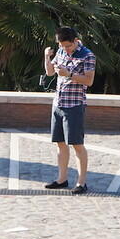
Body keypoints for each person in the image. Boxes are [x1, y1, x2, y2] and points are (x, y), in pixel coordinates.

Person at [43, 26, 96, 194]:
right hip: (58, 103)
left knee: (77, 144)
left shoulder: (87, 55)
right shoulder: (60, 51)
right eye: (62, 46)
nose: (65, 49)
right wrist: (46, 57)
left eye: (68, 46)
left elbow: (89, 81)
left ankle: (81, 183)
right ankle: (62, 179)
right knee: (60, 143)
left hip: (74, 105)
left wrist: (68, 74)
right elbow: (50, 72)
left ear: (75, 41)